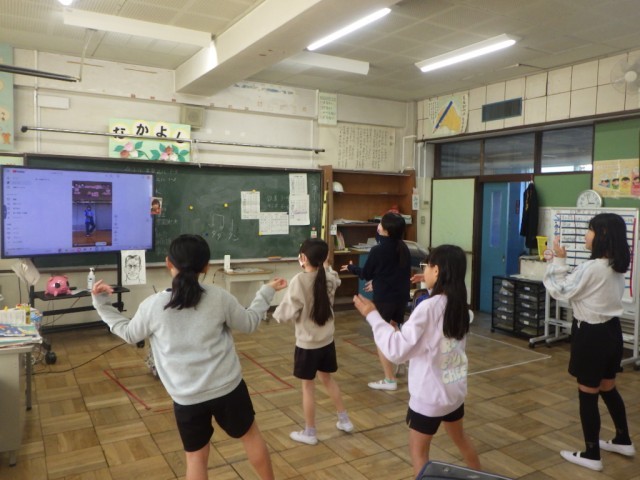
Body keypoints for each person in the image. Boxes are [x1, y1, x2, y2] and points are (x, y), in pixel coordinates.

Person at [91, 234, 287, 480]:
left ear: (168, 263)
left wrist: (102, 305)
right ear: (206, 267)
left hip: (186, 397)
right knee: (251, 437)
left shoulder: (153, 305)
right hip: (228, 389)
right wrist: (266, 292)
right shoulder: (219, 297)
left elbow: (130, 334)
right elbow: (249, 323)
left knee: (196, 458)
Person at [352, 244, 480, 476]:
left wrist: (372, 315)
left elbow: (397, 351)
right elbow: (435, 328)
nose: (423, 271)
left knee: (419, 452)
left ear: (437, 271)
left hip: (429, 397)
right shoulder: (460, 302)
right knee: (461, 438)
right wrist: (429, 284)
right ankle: (479, 475)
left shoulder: (428, 308)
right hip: (453, 391)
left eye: (426, 267)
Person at [543, 213, 635, 471]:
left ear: (602, 235)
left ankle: (591, 454)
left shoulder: (593, 267)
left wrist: (558, 260)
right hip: (612, 333)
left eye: (590, 230)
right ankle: (623, 439)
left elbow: (560, 290)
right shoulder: (616, 265)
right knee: (608, 387)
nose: (586, 235)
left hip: (591, 336)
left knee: (588, 393)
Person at [272, 238, 353, 445]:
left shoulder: (299, 280)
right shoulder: (329, 277)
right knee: (327, 379)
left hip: (307, 344)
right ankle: (344, 420)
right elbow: (334, 278)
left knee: (308, 387)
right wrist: (325, 266)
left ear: (303, 258)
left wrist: (274, 308)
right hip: (327, 341)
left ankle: (310, 432)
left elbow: (284, 314)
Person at [341, 212, 411, 390]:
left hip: (385, 298)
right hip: (401, 297)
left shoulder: (378, 250)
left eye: (380, 224)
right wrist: (378, 282)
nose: (378, 226)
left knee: (382, 336)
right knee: (393, 327)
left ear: (386, 229)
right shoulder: (403, 247)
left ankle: (389, 379)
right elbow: (394, 273)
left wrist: (351, 267)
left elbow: (366, 274)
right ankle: (401, 361)